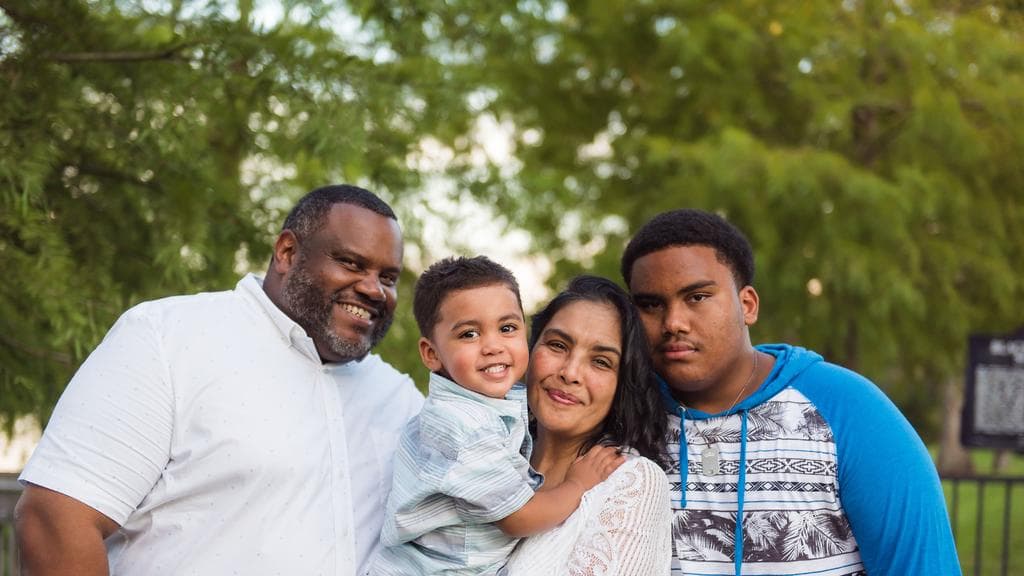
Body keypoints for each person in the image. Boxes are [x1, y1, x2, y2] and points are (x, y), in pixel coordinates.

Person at [14, 184, 425, 576]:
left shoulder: (398, 398)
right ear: (287, 252)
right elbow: (55, 517)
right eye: (351, 263)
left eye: (388, 278)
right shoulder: (168, 338)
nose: (374, 290)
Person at [620, 209, 961, 576]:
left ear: (747, 305)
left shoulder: (851, 411)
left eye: (697, 297)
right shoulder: (620, 414)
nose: (673, 322)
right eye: (651, 305)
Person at [371, 257, 624, 576]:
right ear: (432, 354)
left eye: (506, 328)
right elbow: (517, 518)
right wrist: (577, 484)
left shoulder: (489, 407)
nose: (493, 346)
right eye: (469, 334)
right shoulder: (463, 426)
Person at [505, 275, 672, 575]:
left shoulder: (632, 482)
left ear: (622, 385)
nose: (570, 373)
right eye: (557, 345)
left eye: (600, 362)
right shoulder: (493, 454)